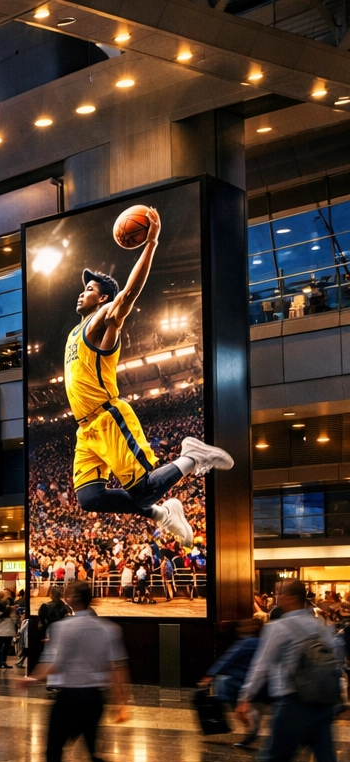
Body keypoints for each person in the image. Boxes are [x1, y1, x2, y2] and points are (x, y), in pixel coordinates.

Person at [56, 212, 233, 544]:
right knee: (90, 499)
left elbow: (129, 295)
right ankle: (163, 514)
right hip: (85, 430)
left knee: (144, 490)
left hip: (108, 418)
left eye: (90, 289)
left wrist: (150, 242)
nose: (82, 293)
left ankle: (192, 456)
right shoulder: (73, 334)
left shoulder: (100, 322)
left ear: (103, 299)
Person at [223, 580, 350, 762]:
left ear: (289, 598)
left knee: (273, 761)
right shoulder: (321, 625)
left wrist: (244, 698)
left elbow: (261, 665)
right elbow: (335, 661)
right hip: (321, 704)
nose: (276, 597)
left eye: (280, 593)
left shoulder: (278, 627)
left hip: (292, 703)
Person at [24, 579, 152, 762]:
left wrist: (29, 679)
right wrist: (121, 702)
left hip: (69, 698)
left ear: (71, 599)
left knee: (53, 750)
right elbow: (118, 667)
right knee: (93, 756)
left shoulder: (63, 628)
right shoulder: (108, 629)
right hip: (94, 699)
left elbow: (54, 665)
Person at [200, 620, 263, 748]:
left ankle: (247, 715)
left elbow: (228, 659)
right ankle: (250, 721)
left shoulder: (246, 643)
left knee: (223, 685)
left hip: (239, 680)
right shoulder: (262, 643)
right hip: (256, 681)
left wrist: (211, 674)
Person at [0, 591, 17, 672]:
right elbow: (1, 614)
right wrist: (10, 608)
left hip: (0, 629)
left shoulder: (1, 604)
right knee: (4, 646)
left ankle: (1, 661)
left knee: (1, 647)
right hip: (5, 628)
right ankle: (1, 661)